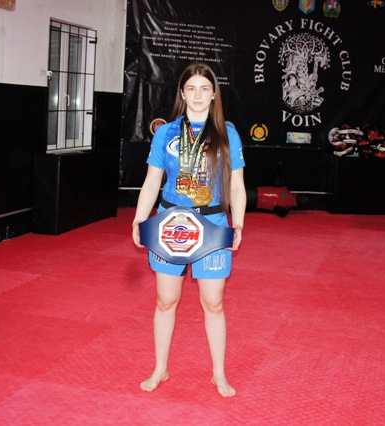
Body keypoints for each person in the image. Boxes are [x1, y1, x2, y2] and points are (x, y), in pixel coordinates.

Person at [131, 62, 246, 398]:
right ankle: (160, 368)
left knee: (214, 303)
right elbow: (152, 181)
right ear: (182, 93)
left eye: (204, 89)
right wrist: (139, 218)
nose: (198, 95)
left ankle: (218, 374)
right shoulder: (166, 133)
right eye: (191, 89)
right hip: (171, 224)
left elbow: (237, 186)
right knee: (166, 300)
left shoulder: (227, 134)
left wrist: (238, 223)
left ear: (213, 95)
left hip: (213, 224)